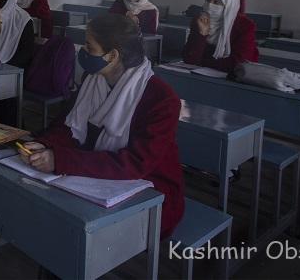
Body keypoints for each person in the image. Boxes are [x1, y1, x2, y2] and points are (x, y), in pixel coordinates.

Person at [20, 14, 184, 238]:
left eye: (89, 46)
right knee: (51, 209)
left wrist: (60, 159)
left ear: (112, 56)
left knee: (65, 220)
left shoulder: (161, 99)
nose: (82, 51)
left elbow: (136, 163)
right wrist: (43, 144)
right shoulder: (93, 78)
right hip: (98, 176)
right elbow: (68, 126)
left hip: (151, 191)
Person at [182, 0, 258, 72]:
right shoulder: (200, 21)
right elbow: (189, 58)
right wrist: (202, 34)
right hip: (201, 74)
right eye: (208, 0)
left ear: (229, 5)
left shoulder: (244, 26)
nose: (209, 5)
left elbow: (238, 64)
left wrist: (202, 62)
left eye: (216, 2)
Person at [0, 0, 35, 126]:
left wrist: (5, 67)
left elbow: (27, 51)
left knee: (7, 110)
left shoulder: (23, 19)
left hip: (14, 68)